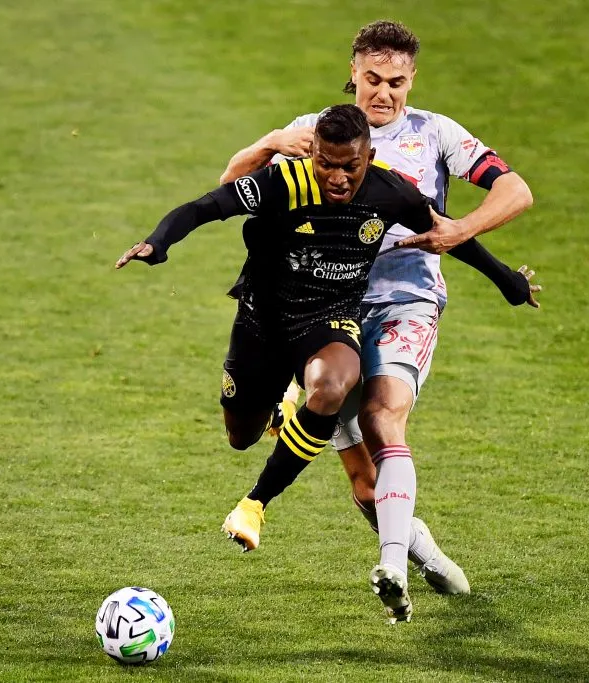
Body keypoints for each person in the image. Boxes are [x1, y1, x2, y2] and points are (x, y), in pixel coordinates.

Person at [118, 104, 531, 624]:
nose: (338, 178)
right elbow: (204, 206)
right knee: (240, 436)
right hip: (262, 324)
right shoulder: (280, 182)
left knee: (334, 387)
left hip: (330, 321)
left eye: (350, 166)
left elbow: (446, 232)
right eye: (327, 164)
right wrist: (159, 242)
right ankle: (277, 411)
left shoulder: (390, 190)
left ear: (369, 157)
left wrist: (506, 281)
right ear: (313, 154)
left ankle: (255, 504)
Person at [218, 20, 537, 616]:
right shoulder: (318, 131)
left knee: (385, 418)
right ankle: (421, 550)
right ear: (353, 72)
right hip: (324, 310)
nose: (383, 93)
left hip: (404, 303)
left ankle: (391, 562)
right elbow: (233, 186)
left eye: (396, 81)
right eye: (371, 79)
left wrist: (460, 229)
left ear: (412, 79)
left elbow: (515, 191)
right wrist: (267, 144)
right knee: (364, 484)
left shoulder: (436, 134)